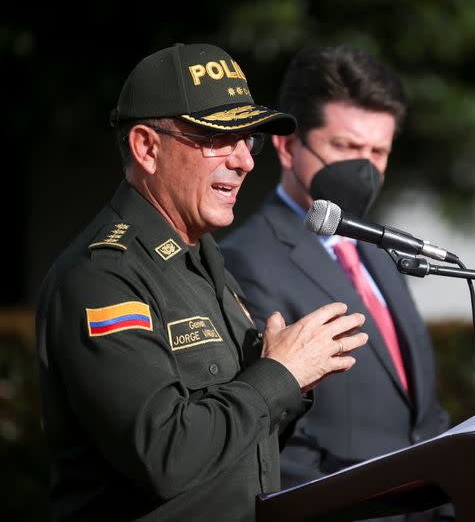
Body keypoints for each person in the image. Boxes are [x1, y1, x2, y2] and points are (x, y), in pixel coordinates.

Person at [35, 43, 369, 522]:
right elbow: (166, 456)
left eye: (247, 140)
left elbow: (231, 448)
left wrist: (293, 381)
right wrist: (280, 374)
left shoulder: (203, 258)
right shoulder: (102, 277)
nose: (244, 161)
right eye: (218, 138)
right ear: (147, 148)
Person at [220, 45, 451, 519]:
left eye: (377, 152)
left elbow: (420, 411)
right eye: (346, 147)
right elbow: (278, 439)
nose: (363, 168)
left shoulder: (379, 249)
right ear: (287, 147)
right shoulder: (246, 259)